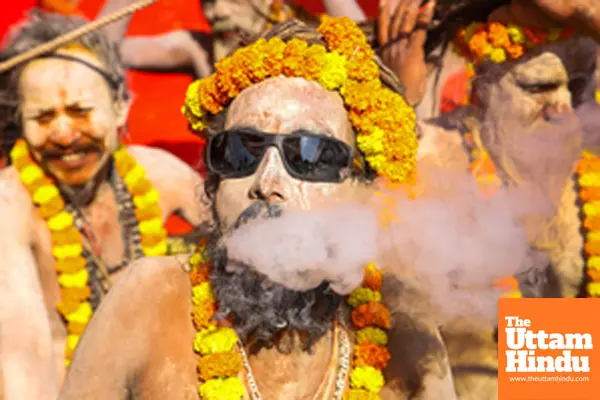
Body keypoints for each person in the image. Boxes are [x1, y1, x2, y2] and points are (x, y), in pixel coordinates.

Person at [58, 17, 463, 399]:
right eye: (241, 153)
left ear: (362, 189)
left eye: (310, 155)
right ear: (214, 181)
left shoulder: (401, 320)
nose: (267, 184)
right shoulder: (148, 296)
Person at [0, 11, 211, 400]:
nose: (64, 134)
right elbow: (22, 364)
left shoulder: (160, 175)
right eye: (43, 117)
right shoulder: (9, 205)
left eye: (80, 111)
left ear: (120, 108)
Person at [405, 0, 600, 397]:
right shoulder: (438, 156)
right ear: (484, 89)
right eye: (539, 88)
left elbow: (552, 379)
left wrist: (588, 12)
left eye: (575, 88)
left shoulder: (590, 166)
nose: (562, 109)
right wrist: (401, 93)